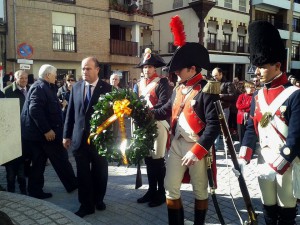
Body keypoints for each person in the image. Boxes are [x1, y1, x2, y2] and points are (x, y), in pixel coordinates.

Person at [152, 33, 220, 224]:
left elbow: (214, 126)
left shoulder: (207, 89)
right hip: (177, 144)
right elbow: (166, 110)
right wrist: (144, 112)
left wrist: (198, 151)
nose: (176, 73)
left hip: (196, 146)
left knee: (200, 189)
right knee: (170, 187)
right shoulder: (178, 89)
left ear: (191, 69)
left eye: (179, 70)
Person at [238, 20, 300, 225]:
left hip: (287, 164)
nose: (256, 71)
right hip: (264, 160)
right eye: (256, 66)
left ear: (277, 66)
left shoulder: (293, 95)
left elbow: (296, 135)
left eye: (262, 67)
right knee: (269, 211)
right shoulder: (257, 96)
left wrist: (283, 161)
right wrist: (244, 154)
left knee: (286, 214)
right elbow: (251, 128)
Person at [63, 57, 112, 218]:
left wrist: (111, 140)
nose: (85, 71)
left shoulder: (107, 89)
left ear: (97, 69)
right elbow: (70, 112)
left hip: (99, 141)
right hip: (79, 140)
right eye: (83, 68)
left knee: (100, 173)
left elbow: (114, 117)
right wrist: (66, 135)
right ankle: (86, 205)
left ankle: (98, 199)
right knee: (83, 175)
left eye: (88, 68)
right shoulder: (76, 87)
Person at [21, 64, 77, 199]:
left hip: (46, 134)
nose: (56, 76)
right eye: (55, 74)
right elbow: (35, 110)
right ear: (48, 75)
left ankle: (36, 190)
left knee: (41, 163)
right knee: (58, 159)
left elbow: (45, 106)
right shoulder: (40, 87)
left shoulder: (47, 87)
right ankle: (72, 184)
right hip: (45, 135)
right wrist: (46, 130)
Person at [134, 48, 169, 207]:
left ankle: (161, 192)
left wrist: (148, 113)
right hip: (143, 125)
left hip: (157, 124)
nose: (146, 69)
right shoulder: (138, 84)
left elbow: (163, 104)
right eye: (144, 67)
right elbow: (134, 103)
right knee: (148, 159)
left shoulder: (162, 82)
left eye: (149, 66)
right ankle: (151, 190)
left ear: (155, 68)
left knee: (157, 159)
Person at [3, 70, 29, 194]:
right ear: (15, 79)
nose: (24, 80)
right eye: (21, 78)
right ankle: (11, 191)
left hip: (24, 135)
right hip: (10, 135)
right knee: (11, 168)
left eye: (26, 78)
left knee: (22, 165)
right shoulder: (7, 92)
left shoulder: (29, 90)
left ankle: (23, 190)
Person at [212, 67, 236, 150]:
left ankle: (228, 147)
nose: (214, 78)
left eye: (216, 75)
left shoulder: (228, 83)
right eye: (213, 76)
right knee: (215, 127)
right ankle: (215, 147)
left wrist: (221, 96)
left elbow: (233, 96)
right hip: (214, 108)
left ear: (221, 74)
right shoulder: (213, 83)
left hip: (224, 108)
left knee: (224, 128)